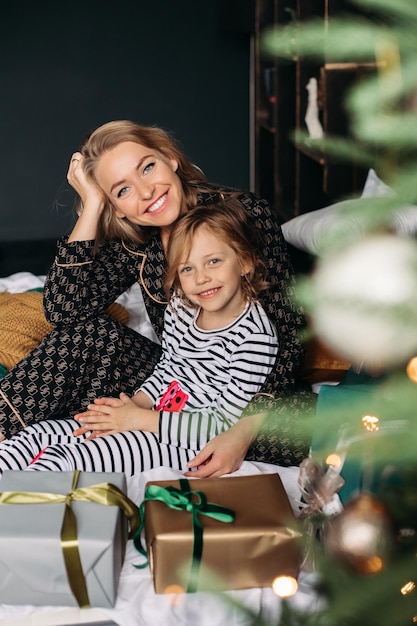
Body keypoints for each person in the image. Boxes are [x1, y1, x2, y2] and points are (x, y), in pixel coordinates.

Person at [0, 120, 315, 476]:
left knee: (289, 430)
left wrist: (239, 434)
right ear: (115, 207)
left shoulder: (242, 214)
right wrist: (91, 205)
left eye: (147, 167)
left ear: (170, 158)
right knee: (85, 337)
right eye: (122, 190)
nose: (146, 192)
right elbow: (62, 310)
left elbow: (288, 338)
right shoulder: (136, 238)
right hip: (178, 384)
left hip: (251, 392)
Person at [0, 203, 278, 476]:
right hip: (155, 413)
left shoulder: (254, 339)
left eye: (213, 262)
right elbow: (169, 367)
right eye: (187, 269)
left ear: (244, 262)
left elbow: (222, 425)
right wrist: (136, 404)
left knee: (69, 459)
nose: (202, 278)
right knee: (39, 433)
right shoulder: (182, 308)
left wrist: (140, 420)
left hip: (187, 442)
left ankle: (22, 512)